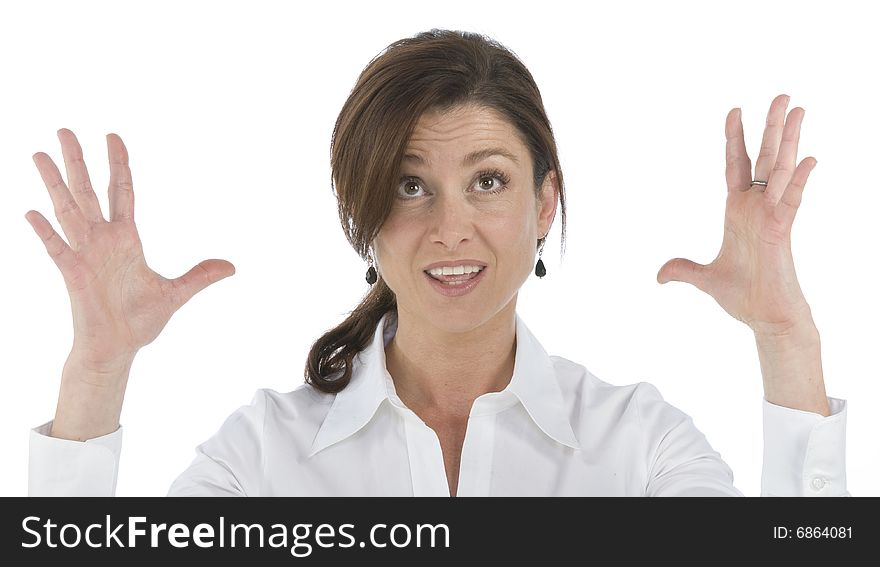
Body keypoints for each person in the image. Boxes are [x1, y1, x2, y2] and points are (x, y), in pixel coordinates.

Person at [26, 29, 847, 497]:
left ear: (545, 203)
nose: (451, 227)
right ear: (364, 214)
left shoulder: (638, 448)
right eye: (411, 185)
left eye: (487, 181)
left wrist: (787, 340)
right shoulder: (263, 459)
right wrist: (97, 372)